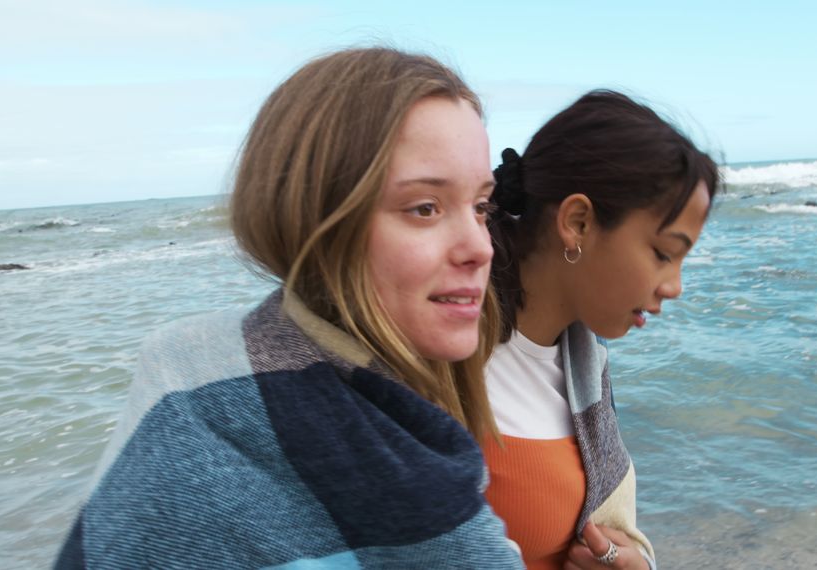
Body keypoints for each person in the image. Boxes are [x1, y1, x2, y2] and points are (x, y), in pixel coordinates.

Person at [55, 47, 523, 569]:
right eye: (424, 208)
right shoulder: (192, 403)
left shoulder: (193, 366)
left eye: (481, 206)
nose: (480, 247)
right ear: (315, 217)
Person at [481, 90, 720, 570]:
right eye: (663, 253)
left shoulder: (585, 366)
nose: (674, 287)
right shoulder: (436, 350)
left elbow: (615, 531)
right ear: (578, 222)